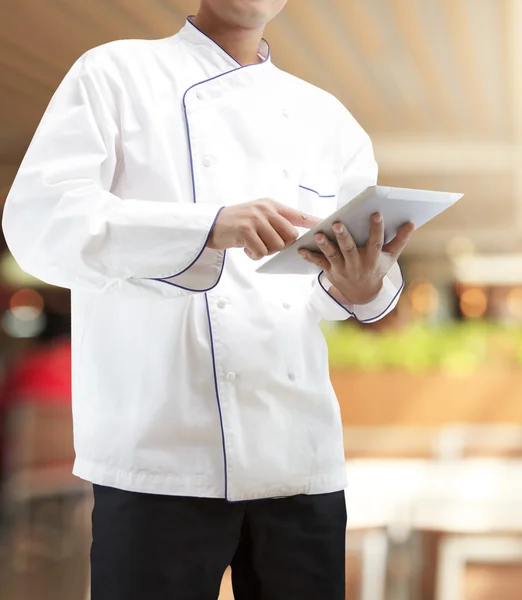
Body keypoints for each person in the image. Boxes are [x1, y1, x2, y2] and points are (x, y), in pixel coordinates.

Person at [2, 1, 414, 598]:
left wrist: (362, 286)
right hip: (157, 458)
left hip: (298, 457)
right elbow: (40, 225)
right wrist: (206, 226)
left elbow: (335, 292)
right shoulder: (113, 74)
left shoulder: (329, 120)